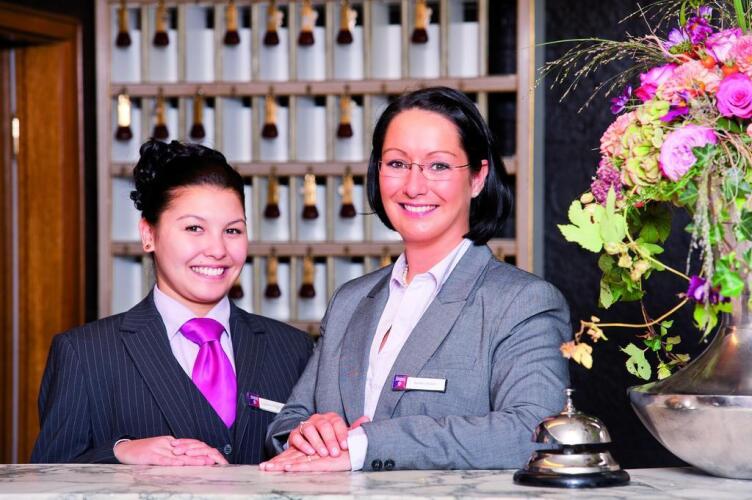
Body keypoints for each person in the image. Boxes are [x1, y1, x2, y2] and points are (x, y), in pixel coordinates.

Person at [261, 87, 571, 472]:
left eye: (438, 166)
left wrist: (364, 445)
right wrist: (309, 433)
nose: (413, 186)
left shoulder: (522, 302)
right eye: (397, 163)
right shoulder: (350, 300)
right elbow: (289, 421)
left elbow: (535, 433)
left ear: (478, 178)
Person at [31, 140, 312, 465]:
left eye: (233, 231)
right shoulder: (85, 354)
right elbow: (49, 474)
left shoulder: (293, 350)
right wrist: (120, 452)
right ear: (148, 234)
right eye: (194, 228)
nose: (217, 250)